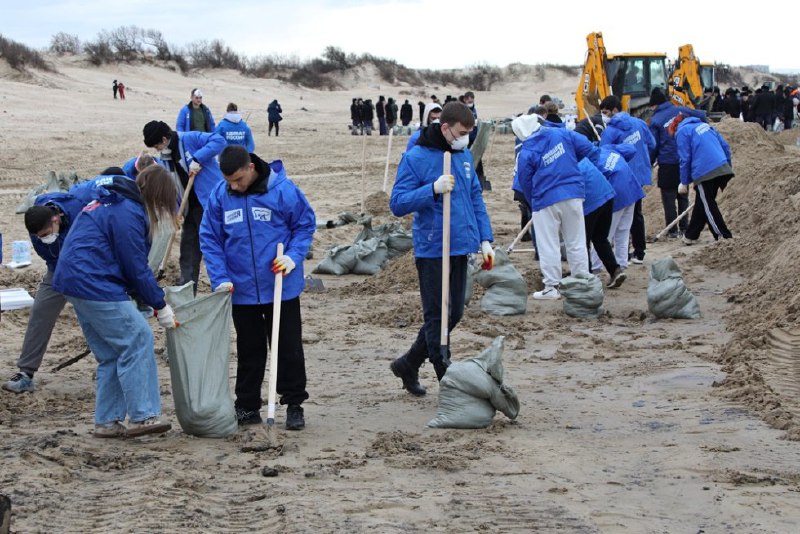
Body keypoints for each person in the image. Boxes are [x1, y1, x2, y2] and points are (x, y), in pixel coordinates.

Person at [52, 166, 178, 438]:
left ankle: (107, 421)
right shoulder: (128, 212)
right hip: (94, 283)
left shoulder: (110, 203)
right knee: (138, 339)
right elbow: (135, 266)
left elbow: (124, 263)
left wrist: (142, 298)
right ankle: (143, 416)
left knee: (111, 353)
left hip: (73, 281)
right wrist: (160, 304)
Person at [199, 146, 316, 430]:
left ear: (251, 167)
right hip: (241, 288)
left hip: (280, 285)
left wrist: (292, 256)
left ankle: (294, 403)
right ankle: (247, 406)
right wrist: (220, 277)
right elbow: (210, 239)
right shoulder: (220, 196)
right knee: (249, 349)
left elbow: (304, 225)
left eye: (238, 179)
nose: (234, 186)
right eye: (229, 181)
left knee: (287, 345)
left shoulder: (282, 190)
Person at [389, 102, 494, 395]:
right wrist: (432, 190)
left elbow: (475, 198)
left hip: (461, 245)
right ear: (445, 127)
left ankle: (408, 363)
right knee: (437, 315)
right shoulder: (416, 157)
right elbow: (397, 203)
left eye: (470, 133)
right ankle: (445, 375)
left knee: (455, 313)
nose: (467, 138)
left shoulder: (462, 156)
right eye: (462, 132)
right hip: (433, 247)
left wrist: (485, 239)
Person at [2, 192, 89, 393]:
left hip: (85, 269)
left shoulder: (78, 208)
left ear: (56, 219)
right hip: (57, 269)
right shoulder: (37, 222)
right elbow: (49, 256)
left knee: (93, 315)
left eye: (45, 234)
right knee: (40, 312)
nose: (43, 239)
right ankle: (26, 373)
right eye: (39, 237)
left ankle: (111, 365)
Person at [512, 113, 599, 300]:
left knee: (548, 244)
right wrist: (570, 161)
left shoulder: (526, 152)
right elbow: (587, 147)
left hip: (545, 200)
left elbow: (524, 181)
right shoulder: (561, 134)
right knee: (576, 241)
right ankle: (581, 281)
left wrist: (533, 200)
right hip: (573, 194)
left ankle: (551, 287)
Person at [142, 120, 225, 291]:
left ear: (164, 139)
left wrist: (198, 158)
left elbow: (219, 140)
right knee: (188, 248)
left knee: (213, 245)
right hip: (190, 207)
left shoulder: (190, 138)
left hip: (209, 203)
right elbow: (175, 185)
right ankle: (187, 287)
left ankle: (222, 284)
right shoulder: (165, 159)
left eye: (157, 145)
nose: (157, 149)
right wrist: (176, 212)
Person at [599, 95, 655, 265]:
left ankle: (621, 253)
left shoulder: (610, 131)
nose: (604, 115)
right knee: (636, 214)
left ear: (614, 110)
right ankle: (639, 251)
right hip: (640, 173)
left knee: (620, 216)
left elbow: (603, 154)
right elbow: (652, 144)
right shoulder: (639, 123)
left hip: (621, 176)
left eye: (605, 112)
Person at [648, 88, 706, 239]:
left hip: (667, 164)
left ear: (654, 105)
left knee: (668, 198)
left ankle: (673, 231)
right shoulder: (680, 110)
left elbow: (653, 145)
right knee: (683, 195)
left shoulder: (655, 120)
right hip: (683, 161)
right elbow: (701, 116)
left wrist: (650, 161)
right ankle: (685, 227)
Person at [668, 113, 734, 243]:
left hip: (705, 170)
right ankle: (691, 235)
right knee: (702, 203)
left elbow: (685, 159)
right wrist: (727, 165)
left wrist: (684, 182)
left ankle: (723, 235)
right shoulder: (705, 125)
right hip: (721, 166)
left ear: (675, 127)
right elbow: (725, 146)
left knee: (708, 205)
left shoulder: (682, 131)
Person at [463, 91, 488, 191]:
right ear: (465, 100)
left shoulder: (474, 110)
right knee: (468, 160)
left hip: (474, 138)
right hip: (466, 139)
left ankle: (480, 180)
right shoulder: (463, 110)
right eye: (468, 99)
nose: (470, 100)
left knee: (478, 161)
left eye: (471, 98)